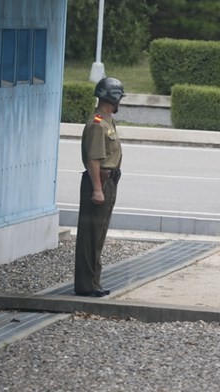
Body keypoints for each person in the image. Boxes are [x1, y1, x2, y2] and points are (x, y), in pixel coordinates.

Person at [74, 77, 125, 297]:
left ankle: (93, 282)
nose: (119, 102)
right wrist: (97, 188)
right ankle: (86, 285)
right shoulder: (97, 124)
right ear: (111, 98)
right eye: (118, 98)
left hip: (108, 181)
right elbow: (94, 159)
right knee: (91, 237)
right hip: (100, 181)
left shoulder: (106, 121)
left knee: (99, 235)